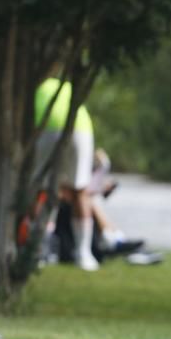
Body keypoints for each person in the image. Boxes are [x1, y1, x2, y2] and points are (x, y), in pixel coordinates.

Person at [34, 77, 99, 271]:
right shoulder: (69, 84)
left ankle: (38, 250)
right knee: (80, 191)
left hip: (46, 129)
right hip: (81, 130)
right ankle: (83, 254)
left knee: (41, 190)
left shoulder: (34, 84)